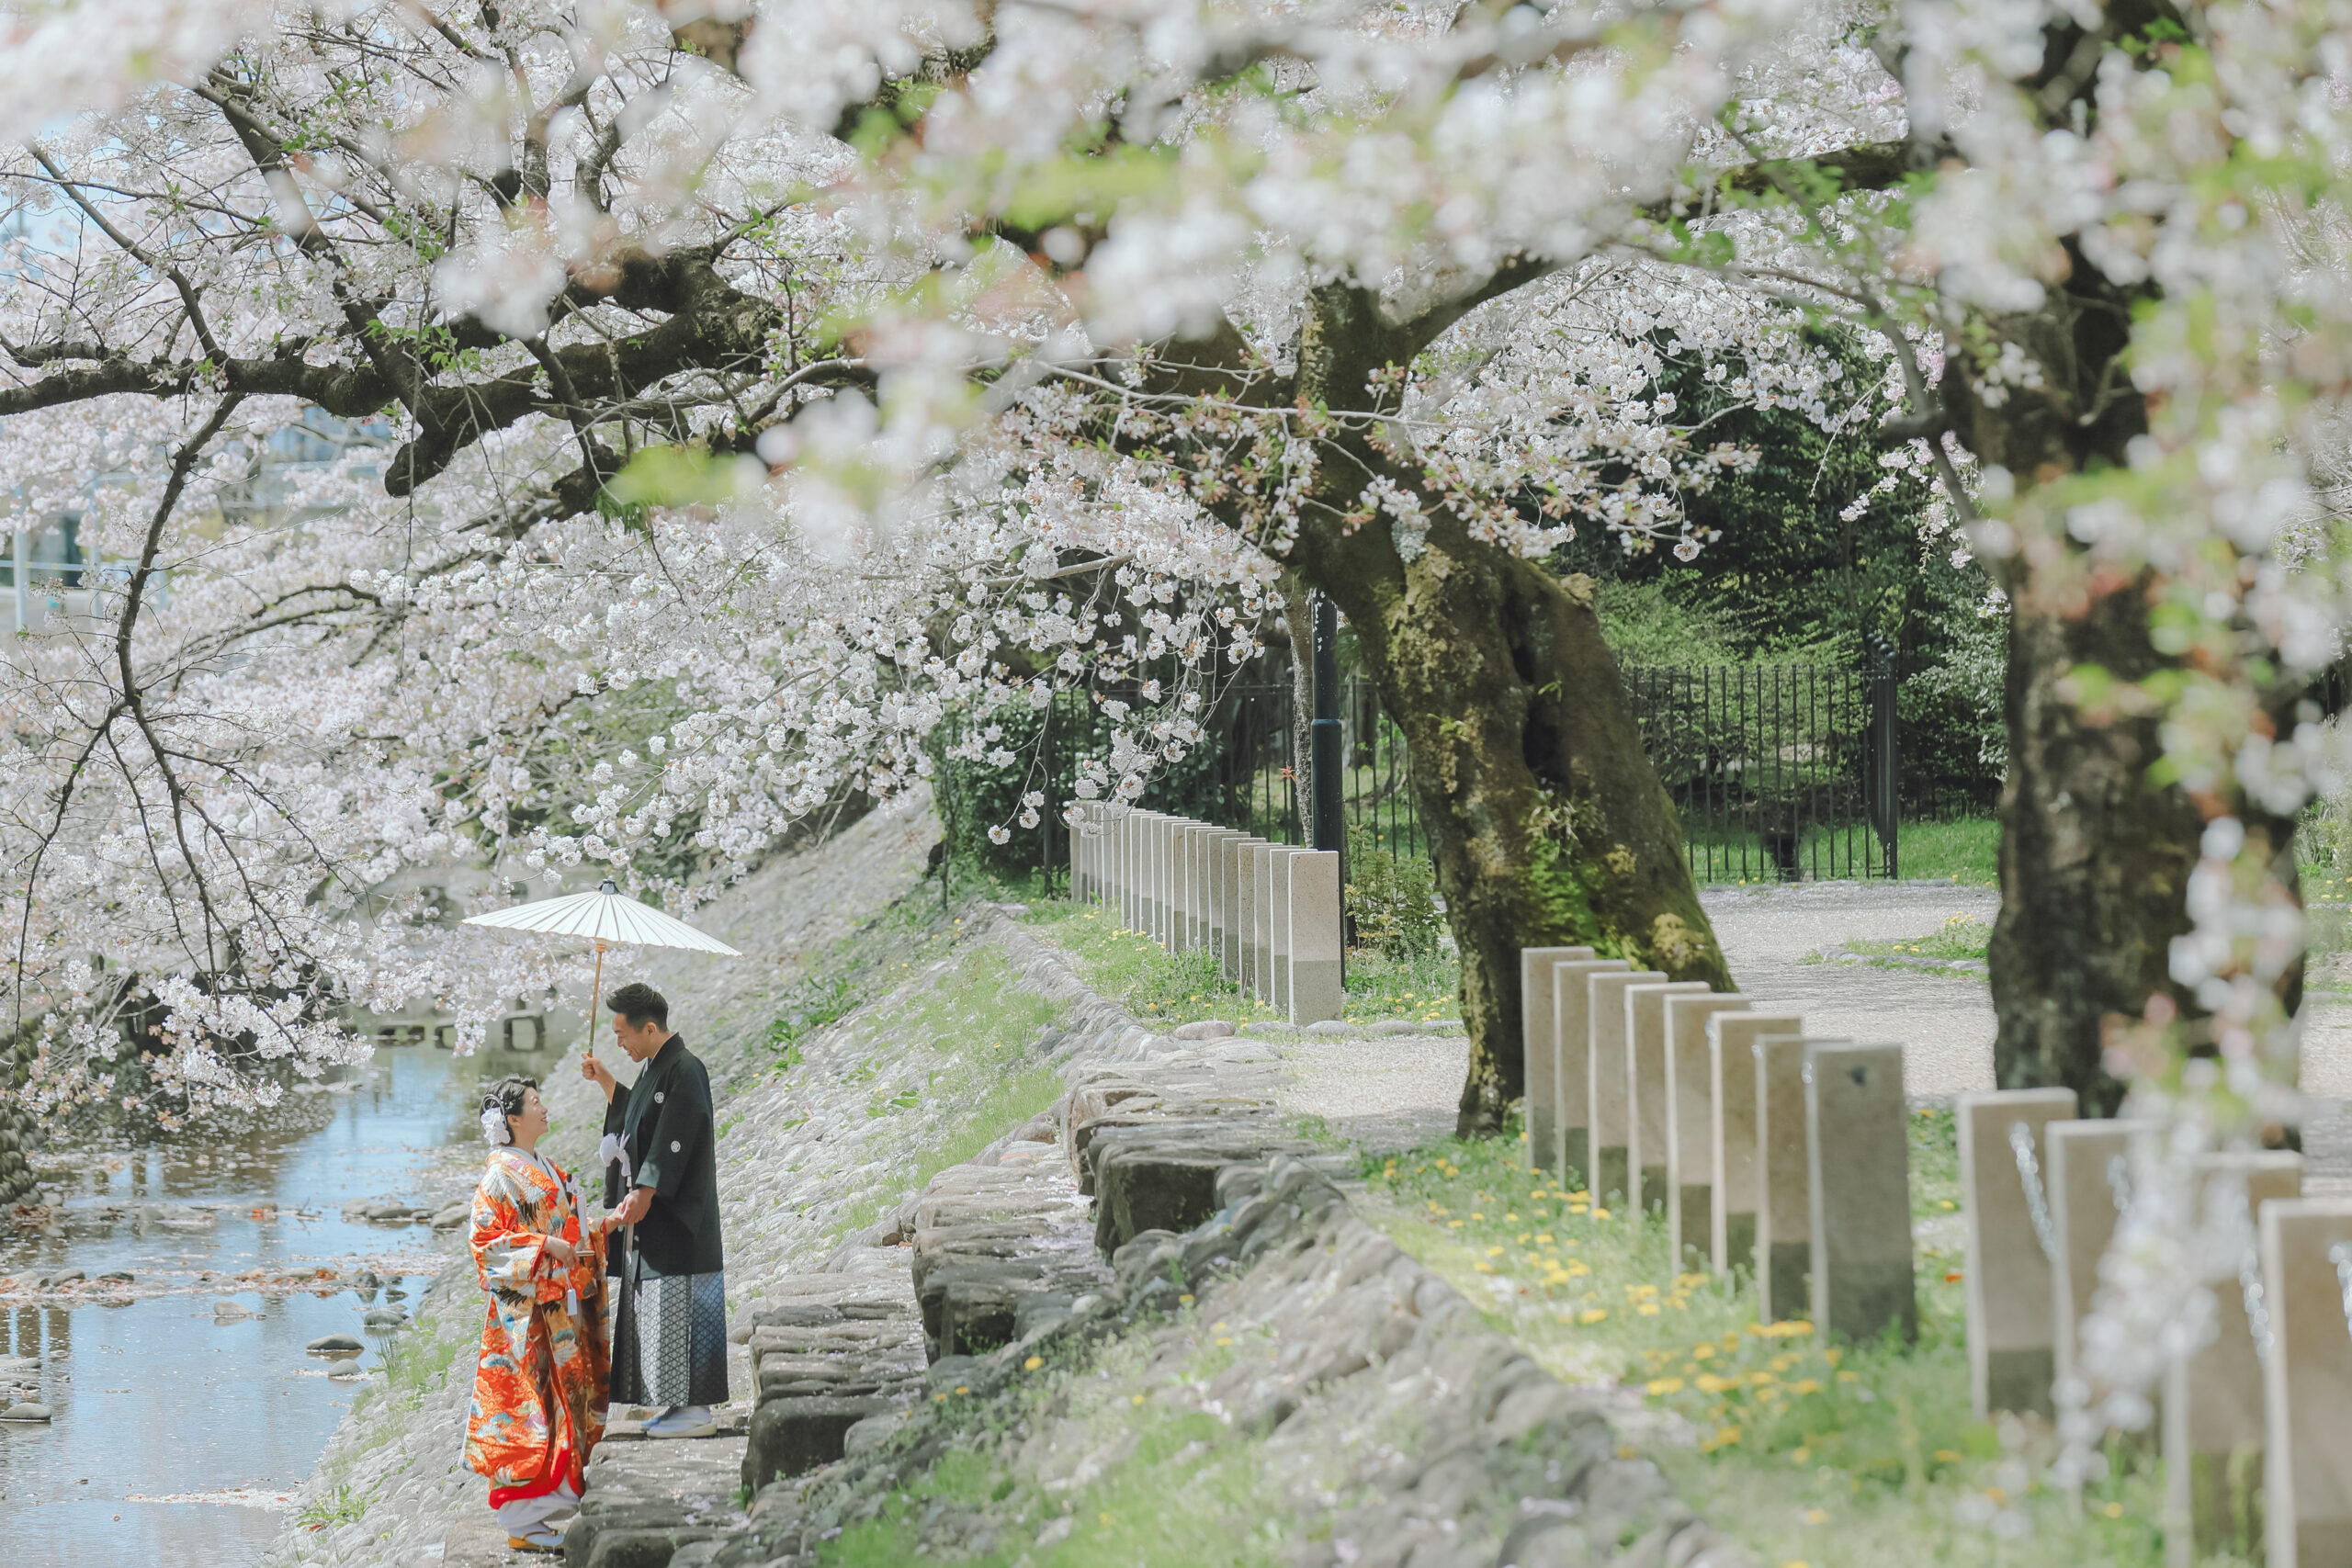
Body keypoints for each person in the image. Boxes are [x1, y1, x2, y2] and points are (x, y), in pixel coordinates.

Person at [464, 1075, 610, 1554]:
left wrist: (604, 1225)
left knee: (564, 1404)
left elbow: (571, 1223)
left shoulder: (544, 1164)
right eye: (533, 1102)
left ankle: (547, 1507)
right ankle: (524, 1516)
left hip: (557, 1305)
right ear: (512, 1120)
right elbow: (485, 1246)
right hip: (522, 1318)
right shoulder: (500, 1175)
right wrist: (545, 1244)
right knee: (531, 1411)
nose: (543, 1107)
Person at [584, 981, 729, 1438]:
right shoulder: (655, 1069)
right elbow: (639, 1116)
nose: (620, 1043)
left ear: (649, 1028)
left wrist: (645, 1189)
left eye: (623, 1035)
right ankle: (675, 1404)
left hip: (678, 1217)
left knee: (678, 1302)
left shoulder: (686, 1069)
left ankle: (696, 1410)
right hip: (655, 1219)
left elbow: (676, 1136)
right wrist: (606, 1079)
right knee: (657, 1308)